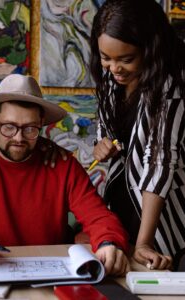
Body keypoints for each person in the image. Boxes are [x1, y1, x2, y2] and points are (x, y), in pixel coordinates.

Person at [0, 74, 130, 276]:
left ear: (41, 124)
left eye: (30, 129)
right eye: (9, 127)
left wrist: (109, 242)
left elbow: (98, 216)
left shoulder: (63, 165)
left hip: (51, 276)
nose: (18, 138)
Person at [90, 0, 185, 270]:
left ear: (150, 48)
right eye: (106, 58)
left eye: (126, 59)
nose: (114, 68)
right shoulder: (112, 77)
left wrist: (145, 242)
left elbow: (160, 161)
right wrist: (101, 145)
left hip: (161, 215)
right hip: (123, 204)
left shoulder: (171, 86)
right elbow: (107, 132)